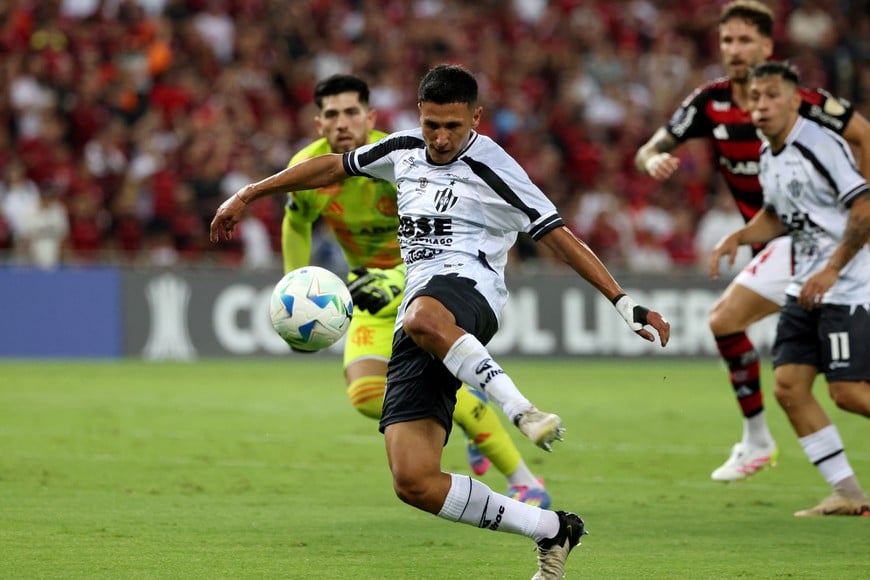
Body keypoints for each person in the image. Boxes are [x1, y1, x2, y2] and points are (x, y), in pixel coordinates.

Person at [213, 64, 670, 578]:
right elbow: (333, 168)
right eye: (432, 124)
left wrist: (621, 299)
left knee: (423, 316)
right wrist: (249, 193)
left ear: (475, 118)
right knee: (413, 479)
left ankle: (521, 411)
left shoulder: (495, 166)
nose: (441, 137)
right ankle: (552, 530)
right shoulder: (403, 150)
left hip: (473, 293)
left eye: (453, 126)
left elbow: (557, 234)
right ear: (418, 116)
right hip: (420, 314)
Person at [282, 73, 552, 506]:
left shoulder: (402, 155)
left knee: (432, 391)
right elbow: (295, 223)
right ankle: (469, 400)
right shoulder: (311, 167)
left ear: (370, 117)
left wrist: (394, 280)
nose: (342, 123)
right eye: (331, 115)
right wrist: (293, 283)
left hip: (423, 285)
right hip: (367, 294)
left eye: (352, 112)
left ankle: (524, 479)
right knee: (366, 394)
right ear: (319, 124)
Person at [634, 0, 870, 482]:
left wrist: (857, 209)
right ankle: (827, 480)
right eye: (727, 40)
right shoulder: (710, 101)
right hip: (780, 240)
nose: (734, 49)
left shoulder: (801, 101)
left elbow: (864, 135)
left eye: (745, 40)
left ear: (767, 45)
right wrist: (652, 161)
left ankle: (759, 440)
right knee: (794, 377)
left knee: (731, 323)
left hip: (815, 240)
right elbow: (649, 148)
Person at [710, 61, 870, 516]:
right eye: (755, 97)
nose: (761, 105)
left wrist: (834, 270)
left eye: (771, 95)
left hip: (847, 287)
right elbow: (780, 217)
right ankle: (850, 495)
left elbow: (863, 206)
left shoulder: (821, 145)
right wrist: (738, 236)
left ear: (795, 100)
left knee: (850, 392)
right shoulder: (768, 153)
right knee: (788, 387)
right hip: (806, 287)